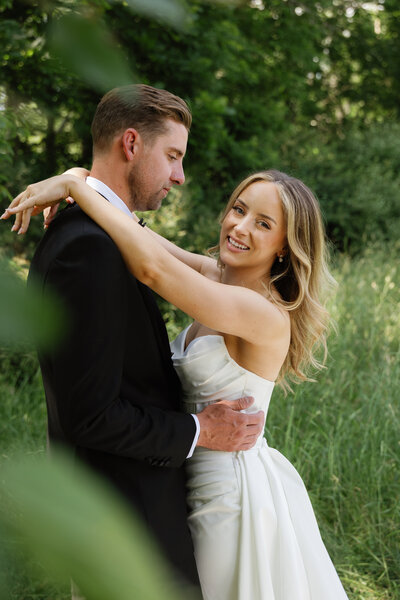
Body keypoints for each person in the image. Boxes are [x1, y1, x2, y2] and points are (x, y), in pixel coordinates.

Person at [3, 166, 349, 599]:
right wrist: (85, 179)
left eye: (263, 224)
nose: (240, 227)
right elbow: (143, 239)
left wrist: (73, 187)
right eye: (238, 210)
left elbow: (152, 270)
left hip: (227, 492)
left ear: (285, 247)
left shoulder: (261, 312)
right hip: (184, 470)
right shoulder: (218, 278)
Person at [0, 85, 266, 594]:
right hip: (124, 518)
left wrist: (76, 181)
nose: (179, 176)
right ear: (130, 144)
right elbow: (90, 415)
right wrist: (198, 430)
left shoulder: (95, 234)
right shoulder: (91, 250)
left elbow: (159, 259)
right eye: (172, 156)